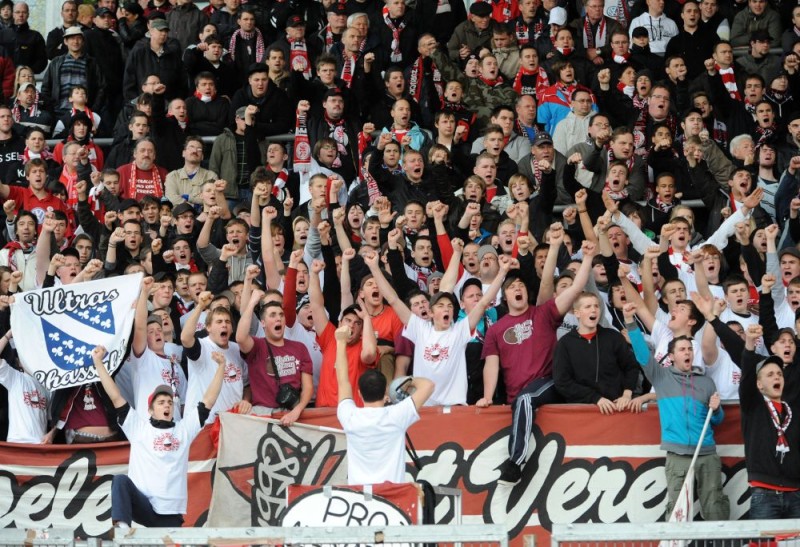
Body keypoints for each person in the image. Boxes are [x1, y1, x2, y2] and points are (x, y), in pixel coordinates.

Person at [91, 343, 225, 528]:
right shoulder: (138, 427)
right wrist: (98, 363)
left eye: (170, 402)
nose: (167, 405)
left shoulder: (184, 429)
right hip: (144, 506)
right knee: (120, 481)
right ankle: (122, 531)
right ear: (151, 410)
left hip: (171, 514)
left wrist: (221, 367)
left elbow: (209, 400)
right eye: (161, 402)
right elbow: (115, 396)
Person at [626, 303, 730, 521]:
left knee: (715, 506)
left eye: (690, 349)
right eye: (682, 350)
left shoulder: (706, 382)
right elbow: (642, 353)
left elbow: (718, 420)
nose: (688, 353)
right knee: (678, 511)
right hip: (678, 456)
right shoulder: (661, 377)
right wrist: (629, 321)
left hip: (707, 453)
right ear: (671, 356)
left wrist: (717, 409)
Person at [334, 324, 434, 485]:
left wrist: (340, 342)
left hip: (361, 500)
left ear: (359, 393)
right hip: (392, 498)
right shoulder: (396, 415)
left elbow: (343, 381)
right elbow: (428, 385)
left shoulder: (350, 417)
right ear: (386, 394)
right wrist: (406, 381)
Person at [739, 324, 800, 518]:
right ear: (759, 384)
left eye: (779, 374)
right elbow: (747, 375)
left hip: (796, 493)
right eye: (770, 374)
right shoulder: (753, 406)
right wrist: (749, 343)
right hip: (764, 494)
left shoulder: (794, 410)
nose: (776, 377)